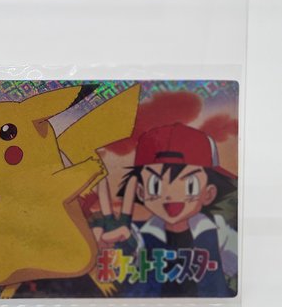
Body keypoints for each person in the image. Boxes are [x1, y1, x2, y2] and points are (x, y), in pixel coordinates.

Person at [98, 123, 238, 297]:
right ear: (141, 192)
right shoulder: (137, 234)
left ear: (209, 193)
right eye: (156, 185)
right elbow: (122, 271)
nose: (171, 196)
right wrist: (117, 246)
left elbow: (246, 269)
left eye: (189, 185)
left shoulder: (219, 232)